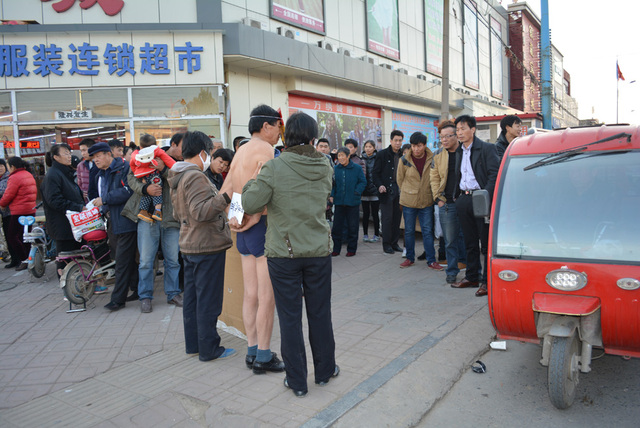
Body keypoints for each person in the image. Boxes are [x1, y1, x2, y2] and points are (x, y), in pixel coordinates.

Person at [242, 112, 338, 398]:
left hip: (284, 253)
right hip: (318, 250)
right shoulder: (326, 165)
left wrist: (255, 178)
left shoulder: (273, 167)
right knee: (320, 313)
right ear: (312, 138)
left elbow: (249, 202)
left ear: (286, 137)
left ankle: (297, 382)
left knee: (290, 317)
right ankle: (325, 371)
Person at [220, 104, 285, 374]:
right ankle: (264, 355)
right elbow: (261, 187)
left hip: (243, 233)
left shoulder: (239, 152)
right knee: (266, 297)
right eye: (278, 126)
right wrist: (255, 216)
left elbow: (228, 190)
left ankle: (251, 350)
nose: (280, 132)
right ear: (267, 126)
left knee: (250, 295)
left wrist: (237, 218)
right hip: (261, 229)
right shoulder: (266, 150)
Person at [168, 131, 236, 362]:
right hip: (206, 245)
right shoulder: (195, 176)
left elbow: (180, 213)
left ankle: (194, 345)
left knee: (194, 299)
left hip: (190, 243)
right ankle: (209, 349)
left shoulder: (178, 174)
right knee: (208, 300)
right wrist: (226, 196)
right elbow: (201, 212)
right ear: (203, 152)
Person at [122, 137, 183, 314]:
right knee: (146, 261)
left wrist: (162, 169)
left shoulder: (174, 163)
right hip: (147, 216)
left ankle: (173, 293)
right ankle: (145, 296)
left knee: (172, 259)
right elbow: (131, 179)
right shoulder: (138, 159)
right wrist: (145, 189)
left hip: (171, 217)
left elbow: (178, 181)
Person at [451, 115, 500, 297]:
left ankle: (487, 281)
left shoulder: (487, 148)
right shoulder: (458, 151)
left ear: (473, 129)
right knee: (469, 242)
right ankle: (472, 276)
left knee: (485, 243)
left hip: (481, 198)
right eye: (457, 130)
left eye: (463, 128)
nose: (459, 133)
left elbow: (494, 175)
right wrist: (456, 195)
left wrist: (484, 195)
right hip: (464, 199)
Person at [90, 142, 138, 311]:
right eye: (93, 158)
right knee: (126, 258)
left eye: (98, 156)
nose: (96, 160)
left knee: (122, 262)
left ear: (109, 154)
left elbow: (129, 191)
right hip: (111, 222)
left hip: (126, 221)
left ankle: (118, 299)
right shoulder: (100, 175)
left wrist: (106, 199)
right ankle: (136, 288)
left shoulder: (123, 168)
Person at [41, 145, 90, 279]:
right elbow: (54, 200)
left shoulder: (64, 172)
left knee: (77, 256)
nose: (69, 156)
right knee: (65, 259)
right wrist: (78, 207)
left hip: (73, 225)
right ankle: (68, 289)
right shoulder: (53, 175)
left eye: (69, 153)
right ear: (56, 157)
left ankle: (78, 286)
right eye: (65, 153)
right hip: (62, 225)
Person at [396, 132, 443, 270]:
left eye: (419, 146)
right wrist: (409, 191)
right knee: (409, 231)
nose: (416, 149)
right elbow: (400, 180)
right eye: (413, 146)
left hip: (426, 200)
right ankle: (410, 258)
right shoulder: (404, 160)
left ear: (424, 145)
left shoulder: (432, 158)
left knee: (427, 231)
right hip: (408, 202)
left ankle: (431, 260)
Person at [430, 121, 467, 283]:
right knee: (450, 239)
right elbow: (434, 178)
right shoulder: (438, 155)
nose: (444, 140)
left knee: (469, 237)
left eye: (447, 136)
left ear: (456, 136)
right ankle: (451, 271)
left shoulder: (466, 151)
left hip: (466, 200)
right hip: (447, 202)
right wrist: (438, 199)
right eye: (441, 137)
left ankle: (472, 270)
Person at [129, 134, 176, 223]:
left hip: (144, 177)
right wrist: (144, 188)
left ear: (140, 146)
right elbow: (171, 163)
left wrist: (138, 175)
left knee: (150, 194)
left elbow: (132, 165)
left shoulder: (137, 155)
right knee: (157, 191)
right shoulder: (158, 152)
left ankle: (144, 211)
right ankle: (157, 211)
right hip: (155, 178)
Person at [0, 157, 36, 271]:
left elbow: (8, 195)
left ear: (12, 167)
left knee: (12, 236)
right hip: (30, 209)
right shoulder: (27, 174)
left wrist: (2, 204)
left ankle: (24, 259)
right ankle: (31, 258)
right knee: (25, 237)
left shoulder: (15, 177)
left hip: (19, 211)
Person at [372, 130, 404, 254]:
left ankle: (395, 243)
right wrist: (380, 185)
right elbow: (375, 173)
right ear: (390, 141)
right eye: (395, 140)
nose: (397, 143)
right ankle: (386, 245)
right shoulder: (382, 154)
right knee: (387, 219)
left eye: (400, 140)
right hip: (386, 191)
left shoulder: (403, 155)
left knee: (397, 219)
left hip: (399, 191)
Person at [330, 147, 366, 257]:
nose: (340, 158)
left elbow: (363, 182)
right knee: (337, 227)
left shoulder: (357, 168)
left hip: (353, 202)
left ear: (348, 156)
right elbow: (333, 184)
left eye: (342, 155)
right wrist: (332, 195)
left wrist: (356, 192)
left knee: (353, 226)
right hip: (339, 202)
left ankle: (351, 249)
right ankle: (336, 249)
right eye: (339, 156)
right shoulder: (336, 168)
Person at [360, 140, 380, 243]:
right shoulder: (360, 159)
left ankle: (376, 234)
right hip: (364, 191)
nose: (368, 148)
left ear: (374, 148)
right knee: (366, 214)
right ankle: (365, 234)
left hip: (375, 191)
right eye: (366, 146)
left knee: (375, 214)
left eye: (370, 147)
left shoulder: (378, 158)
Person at [77, 138, 96, 202]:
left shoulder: (100, 164)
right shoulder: (81, 166)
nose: (83, 153)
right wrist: (81, 193)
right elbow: (79, 185)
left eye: (84, 150)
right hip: (87, 202)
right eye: (81, 151)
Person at [0, 159, 10, 261]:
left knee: (7, 234)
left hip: (7, 211)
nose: (0, 168)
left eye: (1, 166)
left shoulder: (8, 178)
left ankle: (5, 252)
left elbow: (5, 192)